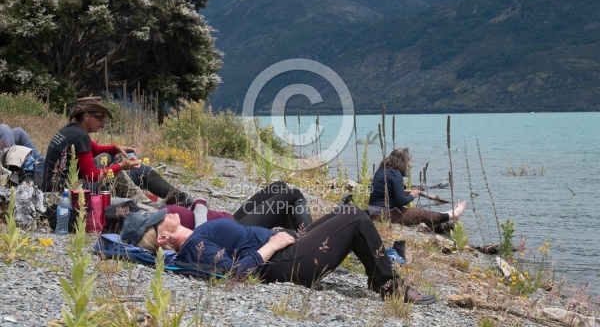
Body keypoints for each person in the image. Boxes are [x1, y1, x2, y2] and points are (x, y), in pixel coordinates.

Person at [122, 205, 436, 305]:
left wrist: (271, 236)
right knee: (355, 218)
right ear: (162, 237)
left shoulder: (196, 236)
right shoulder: (194, 247)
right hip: (288, 262)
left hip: (288, 249)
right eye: (158, 217)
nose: (166, 212)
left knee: (347, 211)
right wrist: (271, 245)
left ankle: (382, 273)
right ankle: (388, 287)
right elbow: (235, 273)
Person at [42, 96, 193, 206]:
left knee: (140, 170)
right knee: (109, 159)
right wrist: (121, 166)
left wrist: (116, 148)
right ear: (86, 116)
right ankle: (149, 201)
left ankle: (181, 199)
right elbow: (92, 176)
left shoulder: (71, 130)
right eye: (99, 118)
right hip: (69, 192)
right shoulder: (80, 136)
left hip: (65, 187)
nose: (103, 122)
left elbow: (95, 150)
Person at [368, 148, 466, 227]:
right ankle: (453, 215)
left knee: (418, 212)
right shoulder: (395, 174)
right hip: (386, 214)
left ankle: (448, 213)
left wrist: (405, 191)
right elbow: (401, 201)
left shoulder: (381, 170)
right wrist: (413, 195)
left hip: (373, 211)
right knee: (422, 214)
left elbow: (385, 191)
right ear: (403, 162)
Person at [166, 181, 312, 231]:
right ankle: (313, 241)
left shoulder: (159, 217)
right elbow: (199, 231)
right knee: (294, 194)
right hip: (237, 229)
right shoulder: (161, 227)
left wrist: (196, 204)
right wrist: (198, 204)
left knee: (279, 187)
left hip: (231, 219)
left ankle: (298, 241)